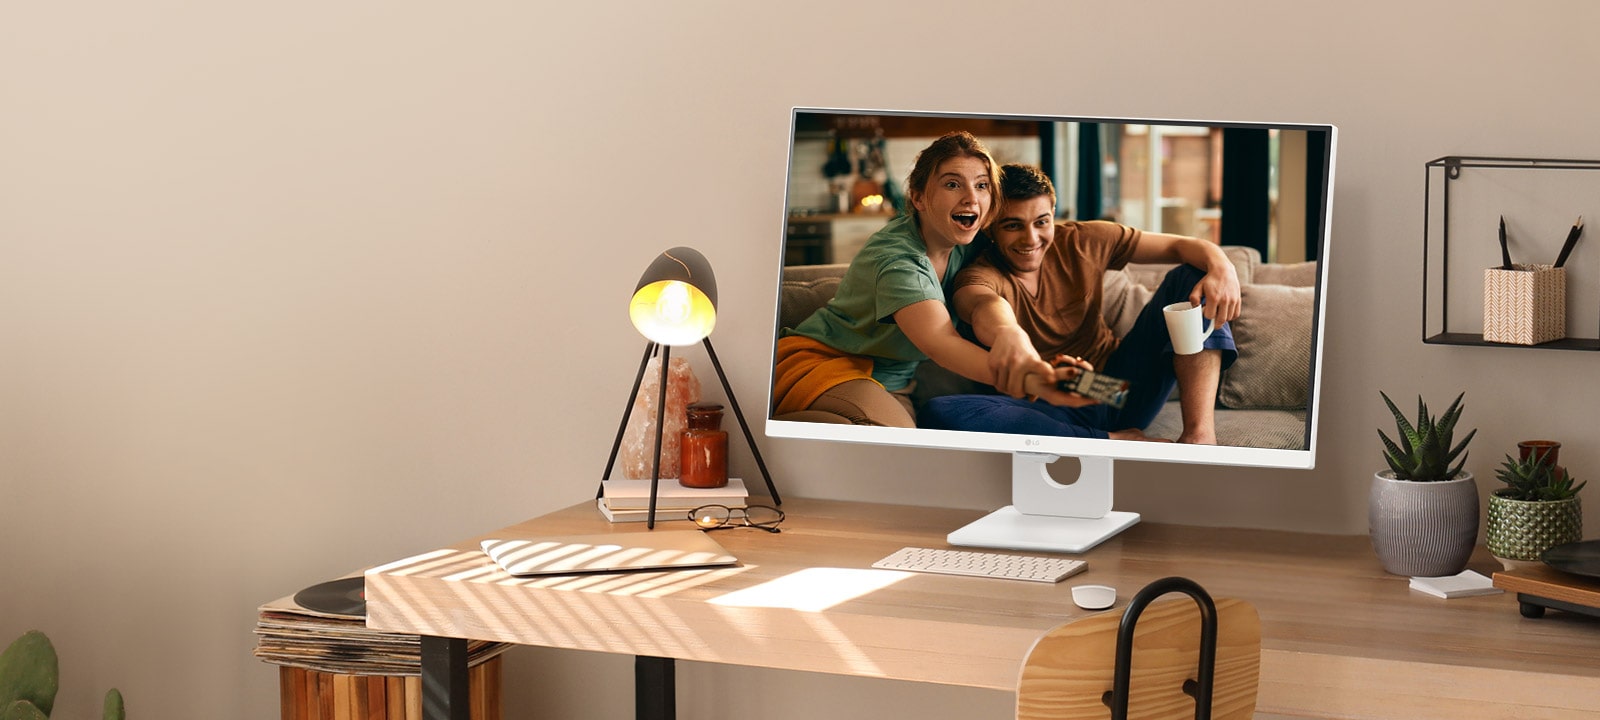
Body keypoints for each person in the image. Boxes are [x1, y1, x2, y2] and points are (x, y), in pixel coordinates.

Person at [771, 133, 1080, 427]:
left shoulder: (976, 241)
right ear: (918, 198)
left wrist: (1016, 341)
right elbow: (942, 341)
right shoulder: (899, 261)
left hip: (893, 384)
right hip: (825, 366)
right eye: (953, 184)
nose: (971, 198)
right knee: (899, 447)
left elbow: (988, 296)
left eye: (982, 185)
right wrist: (1028, 372)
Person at [920, 163, 1241, 444]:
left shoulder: (1084, 239)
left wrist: (1222, 266)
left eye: (1041, 222)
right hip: (1045, 406)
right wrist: (1008, 334)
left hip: (1114, 389)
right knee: (942, 412)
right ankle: (1109, 441)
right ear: (990, 227)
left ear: (1054, 217)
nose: (1031, 239)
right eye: (1013, 225)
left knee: (1191, 276)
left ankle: (1199, 437)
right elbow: (982, 305)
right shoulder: (980, 275)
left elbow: (1181, 246)